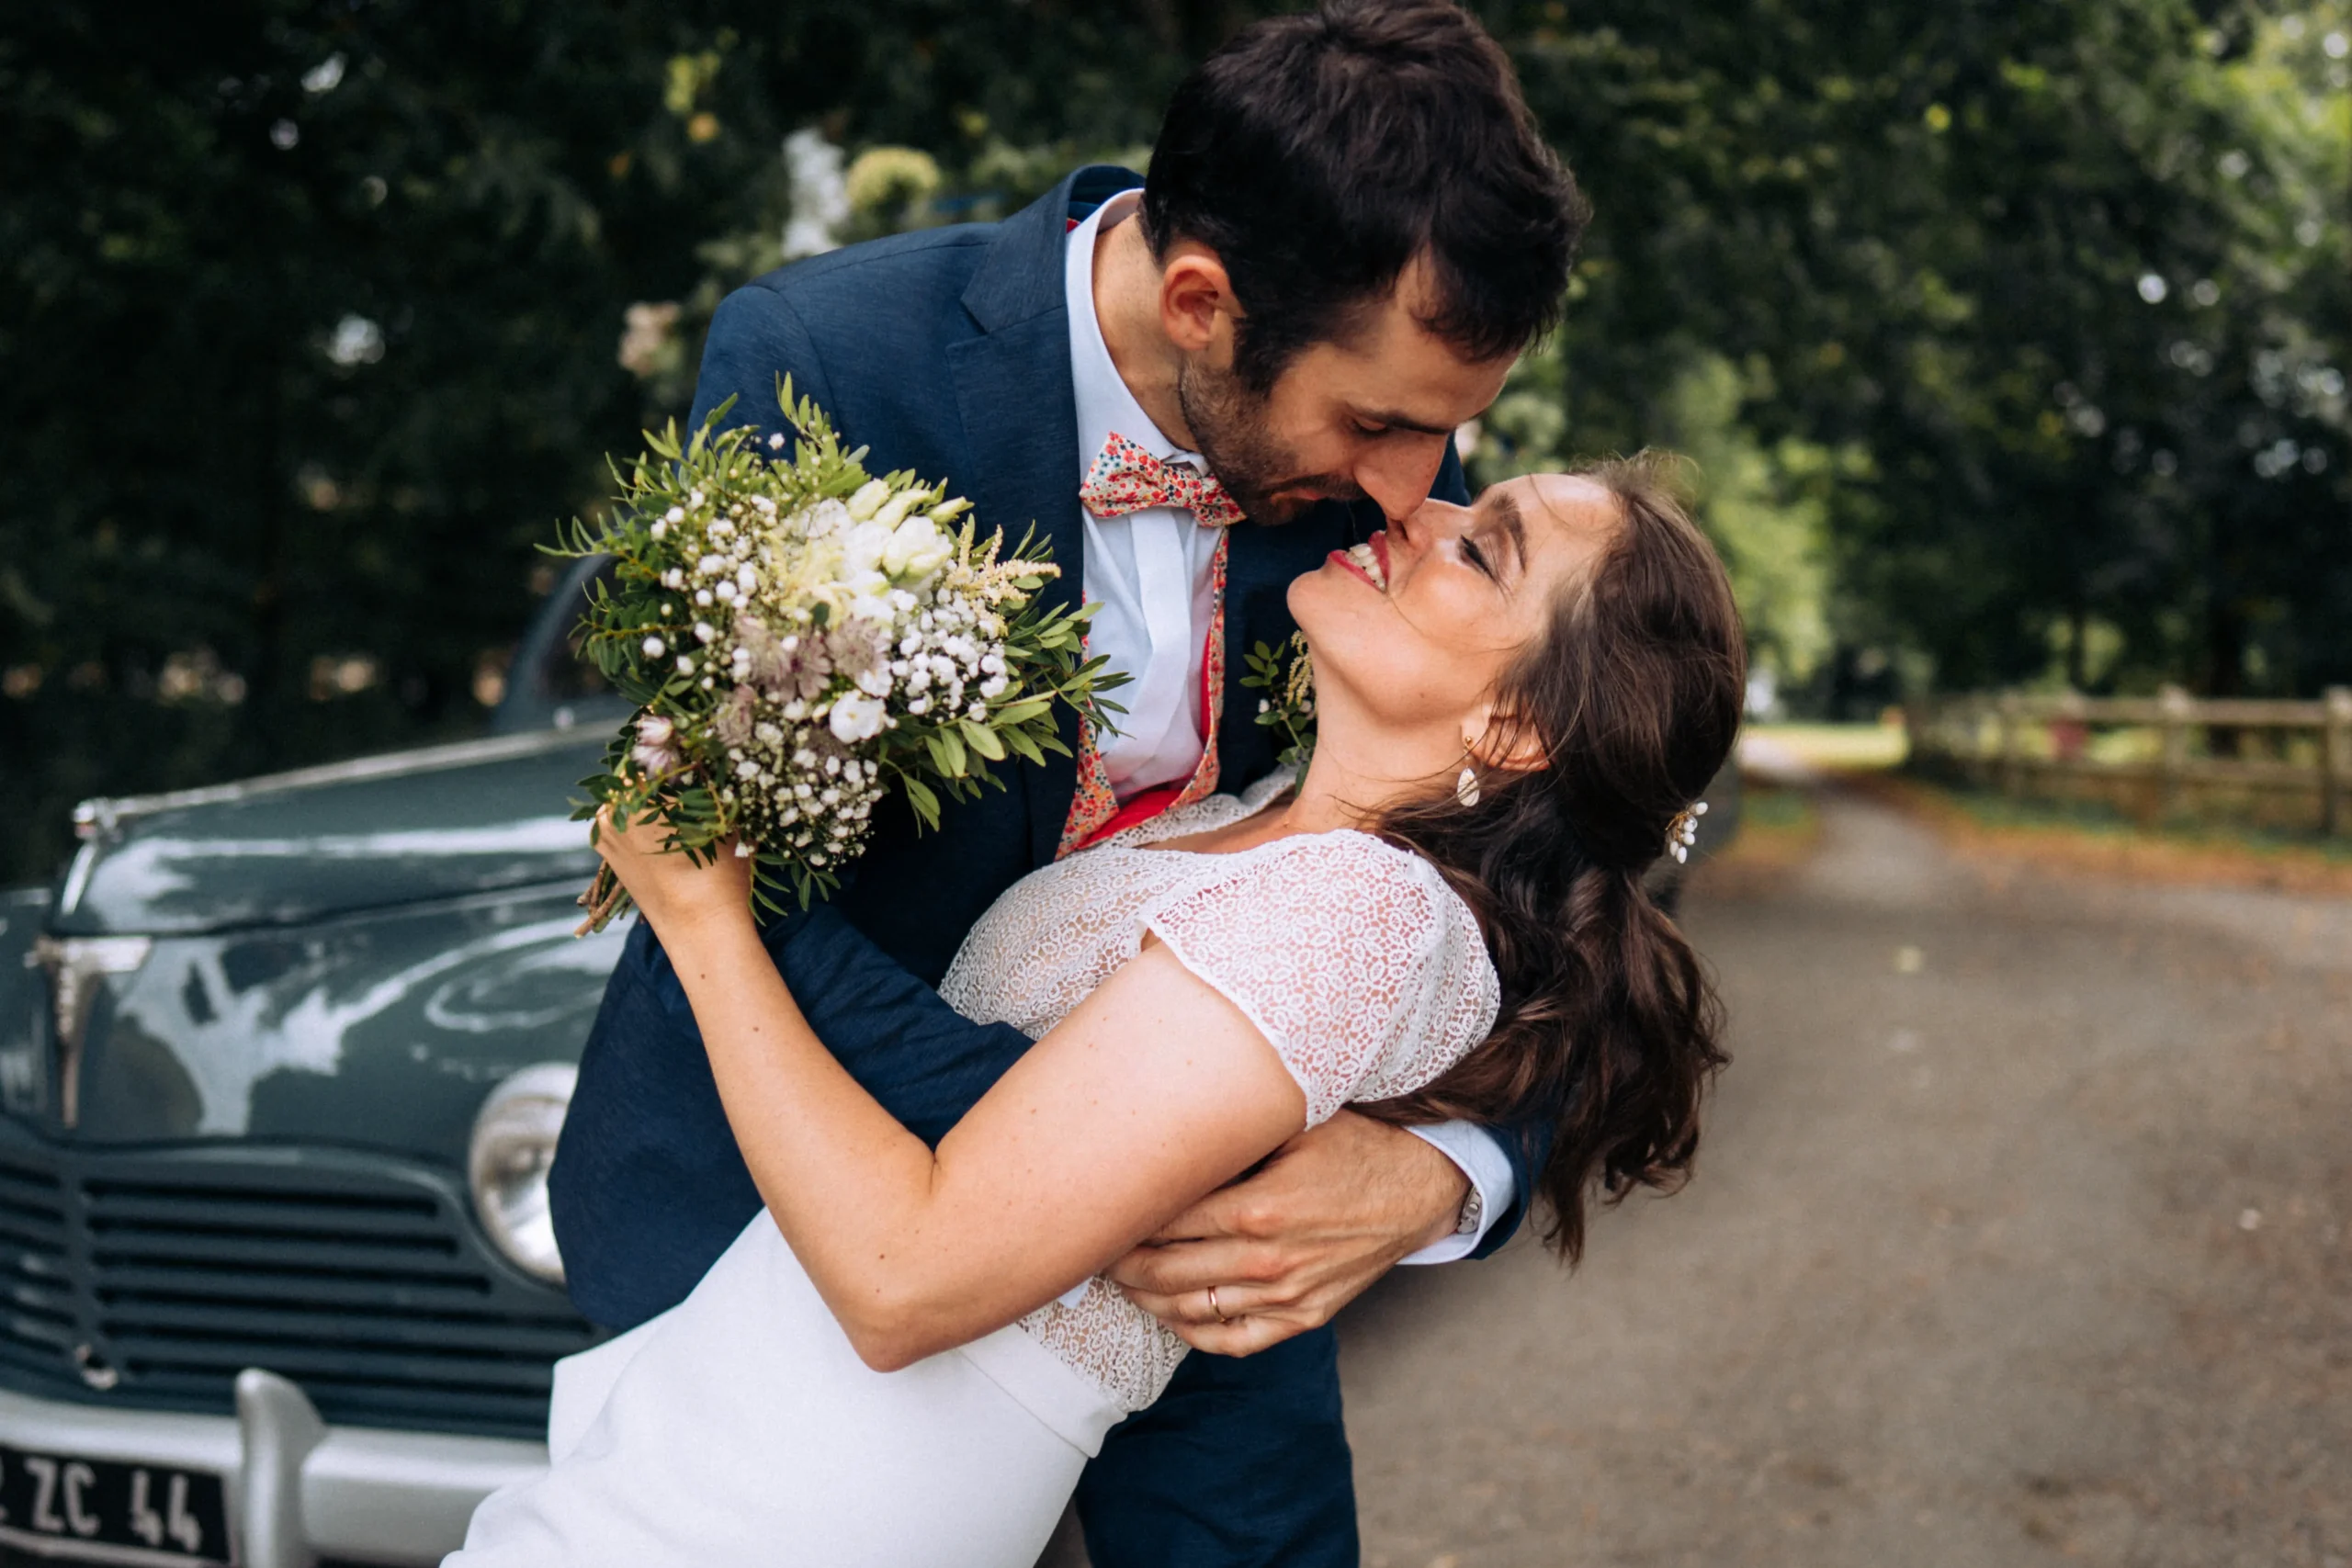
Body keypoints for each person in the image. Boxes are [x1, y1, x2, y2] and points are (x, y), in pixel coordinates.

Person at [547, 5, 1589, 1563]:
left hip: (1207, 1263)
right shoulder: (835, 363)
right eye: (1378, 425)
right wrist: (1060, 1173)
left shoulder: (1400, 491)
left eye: (1443, 438)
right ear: (1201, 302)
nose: (1411, 486)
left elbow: (1560, 857)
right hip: (789, 1206)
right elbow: (740, 853)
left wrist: (1440, 1174)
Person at [454, 458, 1745, 1567]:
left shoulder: (1364, 912)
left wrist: (704, 922)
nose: (1422, 508)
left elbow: (907, 1281)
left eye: (1485, 547)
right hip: (739, 1403)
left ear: (1518, 723)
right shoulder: (1254, 823)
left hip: (828, 1476)